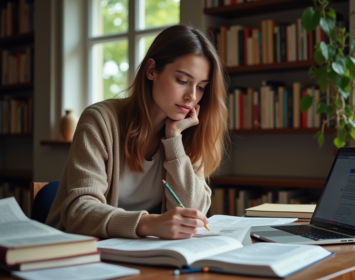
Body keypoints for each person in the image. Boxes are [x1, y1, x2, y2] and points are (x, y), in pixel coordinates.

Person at [46, 25, 228, 240]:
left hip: (141, 255)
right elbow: (79, 213)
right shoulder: (100, 120)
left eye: (201, 87)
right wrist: (148, 223)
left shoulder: (188, 132)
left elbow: (192, 213)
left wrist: (174, 141)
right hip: (76, 253)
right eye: (182, 81)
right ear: (151, 70)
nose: (192, 96)